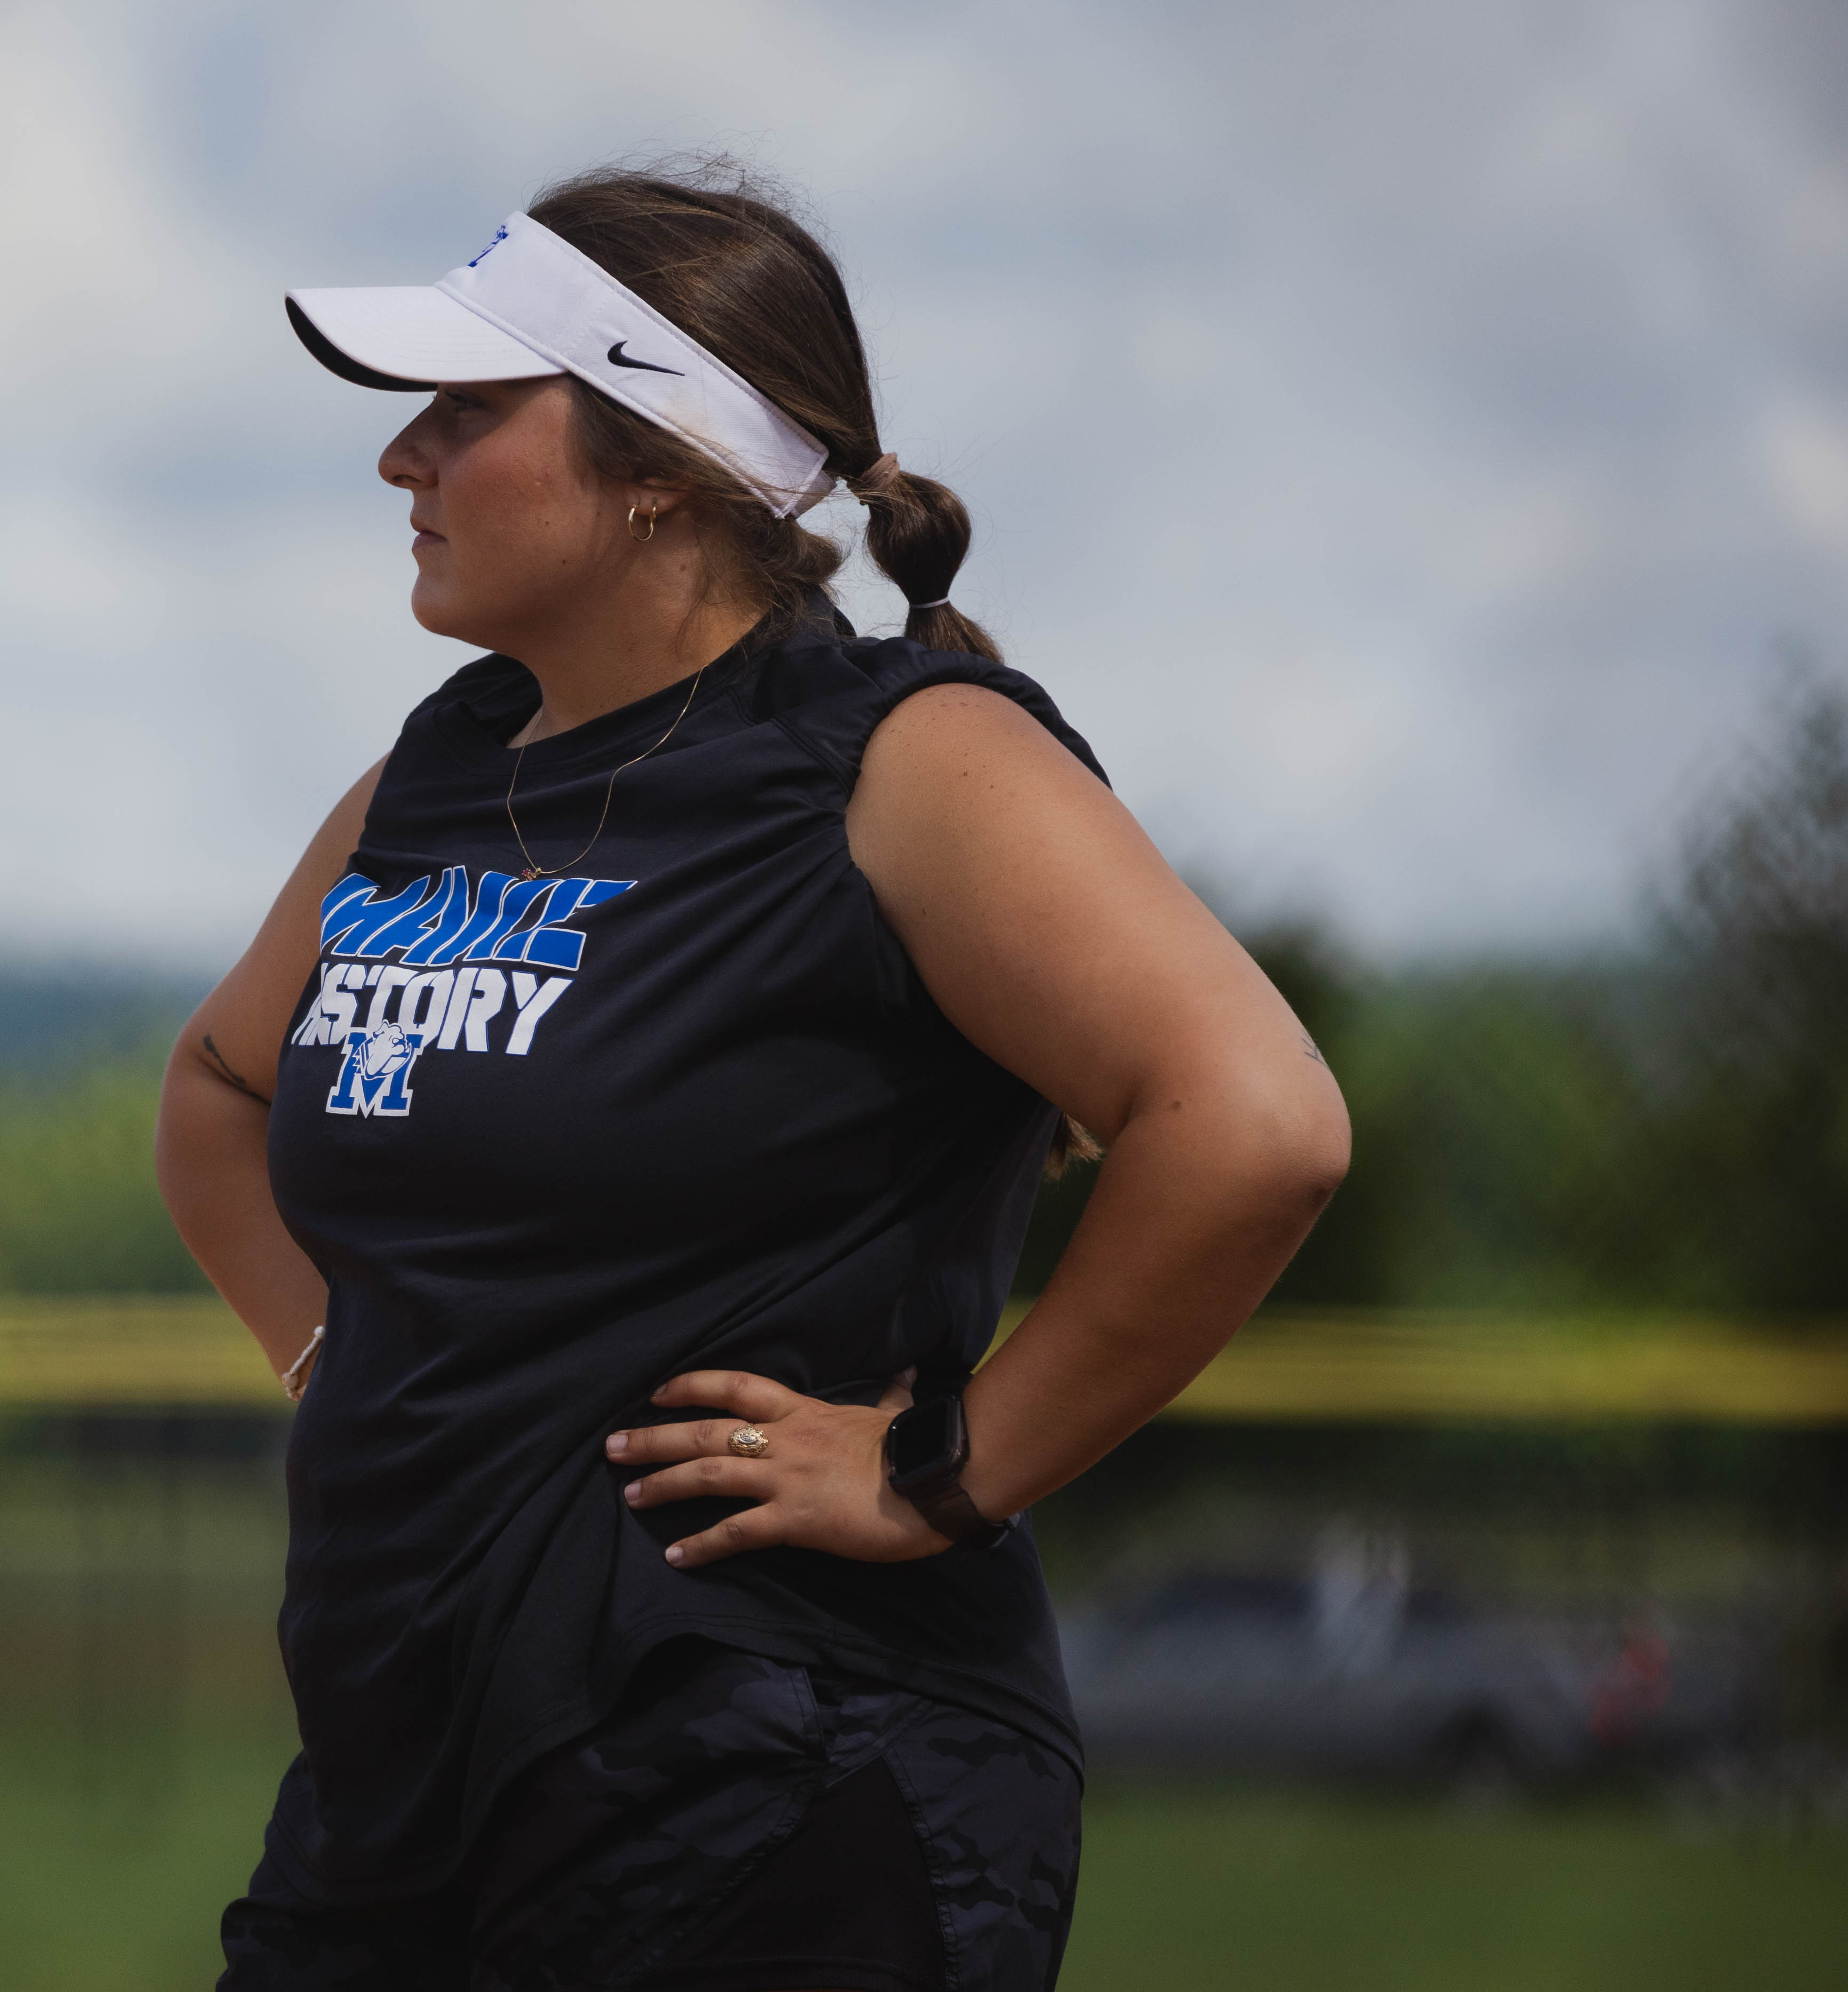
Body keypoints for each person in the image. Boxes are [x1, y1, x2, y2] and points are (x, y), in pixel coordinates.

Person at [154, 163, 1350, 1992]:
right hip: (403, 1787)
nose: (401, 461)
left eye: (468, 411)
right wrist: (341, 1366)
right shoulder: (443, 770)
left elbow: (1255, 1128)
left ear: (656, 463)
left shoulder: (895, 757)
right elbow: (221, 1091)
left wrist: (946, 1477)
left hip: (776, 1770)